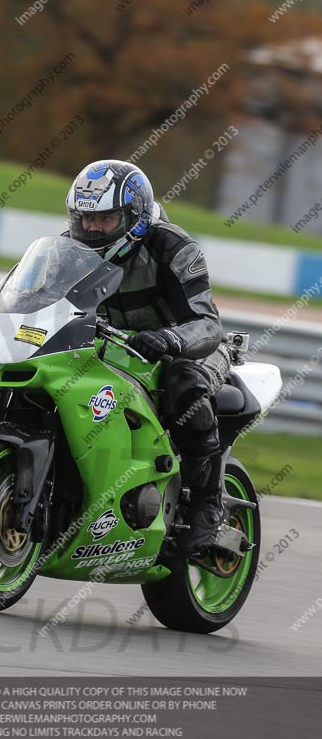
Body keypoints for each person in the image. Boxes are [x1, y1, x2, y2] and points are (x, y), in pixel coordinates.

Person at [65, 159, 232, 557]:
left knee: (184, 383)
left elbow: (208, 324)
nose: (92, 228)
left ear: (135, 215)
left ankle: (211, 501)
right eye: (84, 218)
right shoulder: (68, 251)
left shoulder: (172, 246)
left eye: (104, 218)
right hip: (119, 351)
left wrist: (169, 340)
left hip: (188, 349)